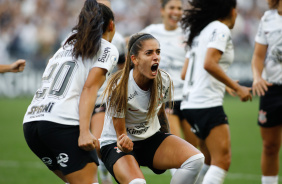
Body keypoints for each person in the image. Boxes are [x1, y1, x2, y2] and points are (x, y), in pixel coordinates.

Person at [22, 1, 118, 184]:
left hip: (32, 124)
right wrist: (84, 132)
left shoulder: (65, 45)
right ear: (111, 25)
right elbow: (89, 88)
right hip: (61, 124)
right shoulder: (107, 48)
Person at [99, 33, 204, 184]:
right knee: (138, 183)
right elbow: (121, 135)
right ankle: (100, 152)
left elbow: (160, 112)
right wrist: (124, 143)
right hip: (117, 143)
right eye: (149, 53)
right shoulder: (120, 87)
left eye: (158, 52)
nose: (156, 57)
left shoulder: (164, 80)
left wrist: (165, 138)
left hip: (150, 139)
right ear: (134, 59)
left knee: (196, 159)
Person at [180, 0, 252, 183]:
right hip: (206, 103)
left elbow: (184, 73)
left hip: (189, 104)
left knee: (207, 159)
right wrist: (237, 87)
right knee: (222, 161)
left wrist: (225, 84)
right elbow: (209, 63)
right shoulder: (220, 29)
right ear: (232, 11)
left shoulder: (199, 32)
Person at [140, 1, 198, 175]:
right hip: (166, 98)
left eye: (179, 8)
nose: (176, 12)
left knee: (194, 149)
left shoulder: (189, 32)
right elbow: (132, 44)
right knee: (176, 145)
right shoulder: (152, 31)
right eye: (172, 8)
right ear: (162, 11)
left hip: (188, 97)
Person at [89, 1, 126, 184]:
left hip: (100, 99)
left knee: (97, 142)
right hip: (78, 100)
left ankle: (103, 173)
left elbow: (123, 69)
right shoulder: (78, 38)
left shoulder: (116, 40)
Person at [251, 0, 282, 183]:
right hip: (271, 89)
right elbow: (258, 56)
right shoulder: (267, 18)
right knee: (270, 146)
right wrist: (257, 77)